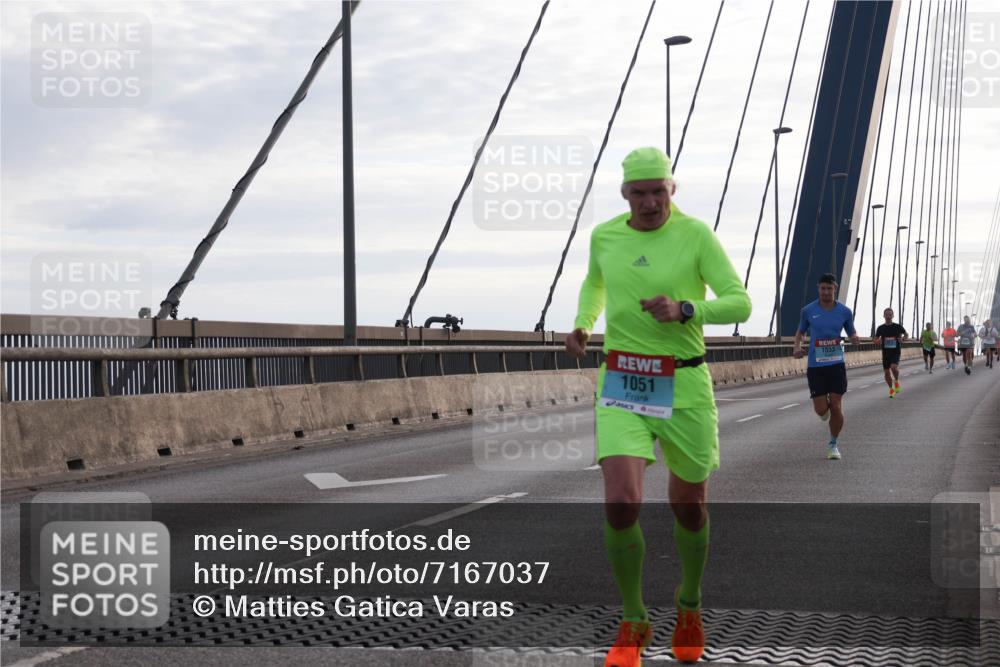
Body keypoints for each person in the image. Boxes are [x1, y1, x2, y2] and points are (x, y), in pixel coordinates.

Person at [566, 147, 751, 667]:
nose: (649, 202)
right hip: (622, 379)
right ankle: (633, 619)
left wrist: (687, 308)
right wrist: (583, 322)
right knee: (621, 502)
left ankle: (689, 603)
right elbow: (596, 281)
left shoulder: (696, 236)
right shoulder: (605, 236)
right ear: (625, 194)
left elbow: (740, 301)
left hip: (684, 383)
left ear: (673, 190)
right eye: (639, 192)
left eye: (658, 191)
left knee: (688, 507)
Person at [792, 273, 861, 459]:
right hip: (816, 366)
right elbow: (800, 332)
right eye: (823, 288)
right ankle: (825, 411)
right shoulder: (808, 310)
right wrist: (797, 347)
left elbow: (852, 332)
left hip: (836, 364)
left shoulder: (845, 312)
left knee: (837, 405)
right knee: (821, 409)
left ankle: (833, 444)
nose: (826, 292)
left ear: (835, 288)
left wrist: (854, 338)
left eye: (829, 288)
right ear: (818, 288)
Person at [873, 308, 908, 397]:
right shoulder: (880, 328)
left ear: (892, 316)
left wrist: (903, 339)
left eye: (890, 314)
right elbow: (875, 338)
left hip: (896, 351)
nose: (888, 316)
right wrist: (877, 341)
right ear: (884, 316)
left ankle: (896, 380)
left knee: (893, 367)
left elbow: (906, 334)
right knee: (886, 373)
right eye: (886, 314)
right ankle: (891, 389)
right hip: (885, 353)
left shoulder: (897, 326)